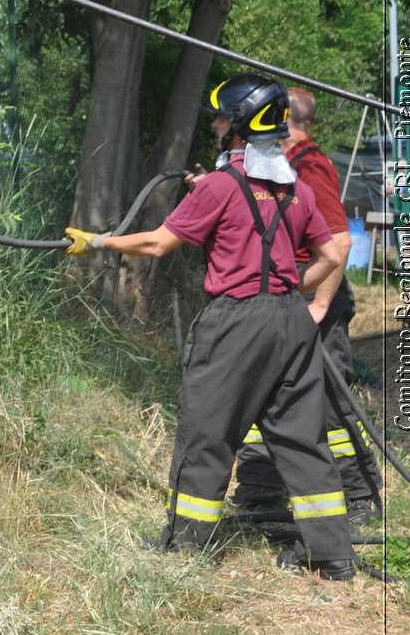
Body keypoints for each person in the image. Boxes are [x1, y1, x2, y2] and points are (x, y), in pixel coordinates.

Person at [65, 73, 356, 580]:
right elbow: (331, 253)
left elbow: (157, 244)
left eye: (222, 116)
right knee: (302, 437)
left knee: (207, 432)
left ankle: (186, 545)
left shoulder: (221, 187)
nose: (217, 123)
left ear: (240, 125)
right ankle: (332, 556)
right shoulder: (297, 190)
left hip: (236, 322)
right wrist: (286, 286)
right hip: (291, 318)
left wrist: (99, 243)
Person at [232, 87, 384, 523]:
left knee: (331, 399)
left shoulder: (310, 166)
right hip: (283, 300)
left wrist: (318, 306)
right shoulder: (282, 165)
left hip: (318, 302)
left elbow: (339, 241)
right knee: (267, 390)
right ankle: (260, 489)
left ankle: (358, 494)